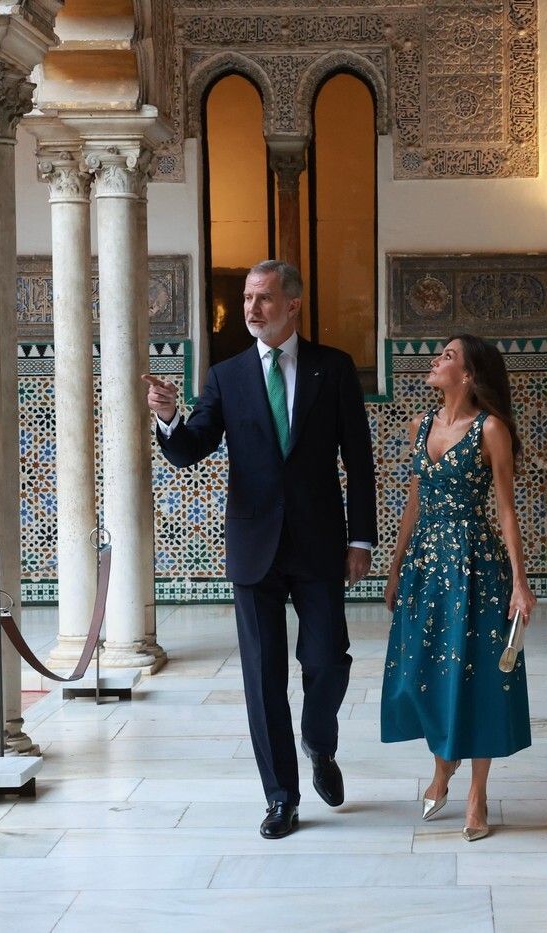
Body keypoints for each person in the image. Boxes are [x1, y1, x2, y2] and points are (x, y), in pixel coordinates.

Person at [143, 260, 377, 839]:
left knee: (327, 660)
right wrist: (172, 418)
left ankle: (319, 742)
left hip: (321, 543)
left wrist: (360, 537)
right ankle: (281, 797)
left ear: (293, 304)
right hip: (253, 548)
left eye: (265, 298)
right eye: (248, 298)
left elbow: (360, 461)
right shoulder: (226, 376)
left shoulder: (334, 368)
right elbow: (191, 449)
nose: (252, 308)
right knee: (263, 676)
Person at [380, 334, 534, 842]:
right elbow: (414, 501)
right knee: (422, 671)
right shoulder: (419, 425)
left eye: (447, 356)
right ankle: (443, 765)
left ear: (468, 375)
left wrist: (520, 583)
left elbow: (507, 509)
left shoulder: (491, 430)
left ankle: (476, 793)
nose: (436, 360)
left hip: (474, 565)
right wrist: (396, 563)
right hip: (426, 565)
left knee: (480, 677)